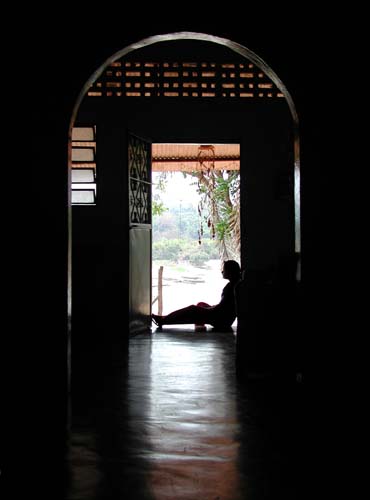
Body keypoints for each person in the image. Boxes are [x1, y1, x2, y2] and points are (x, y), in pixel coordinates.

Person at [152, 260, 241, 331]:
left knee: (192, 309)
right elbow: (224, 306)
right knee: (201, 304)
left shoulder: (231, 287)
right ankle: (165, 318)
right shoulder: (235, 284)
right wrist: (209, 308)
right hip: (225, 319)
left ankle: (163, 320)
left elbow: (220, 309)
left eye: (224, 269)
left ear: (230, 271)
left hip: (221, 320)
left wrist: (209, 309)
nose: (222, 271)